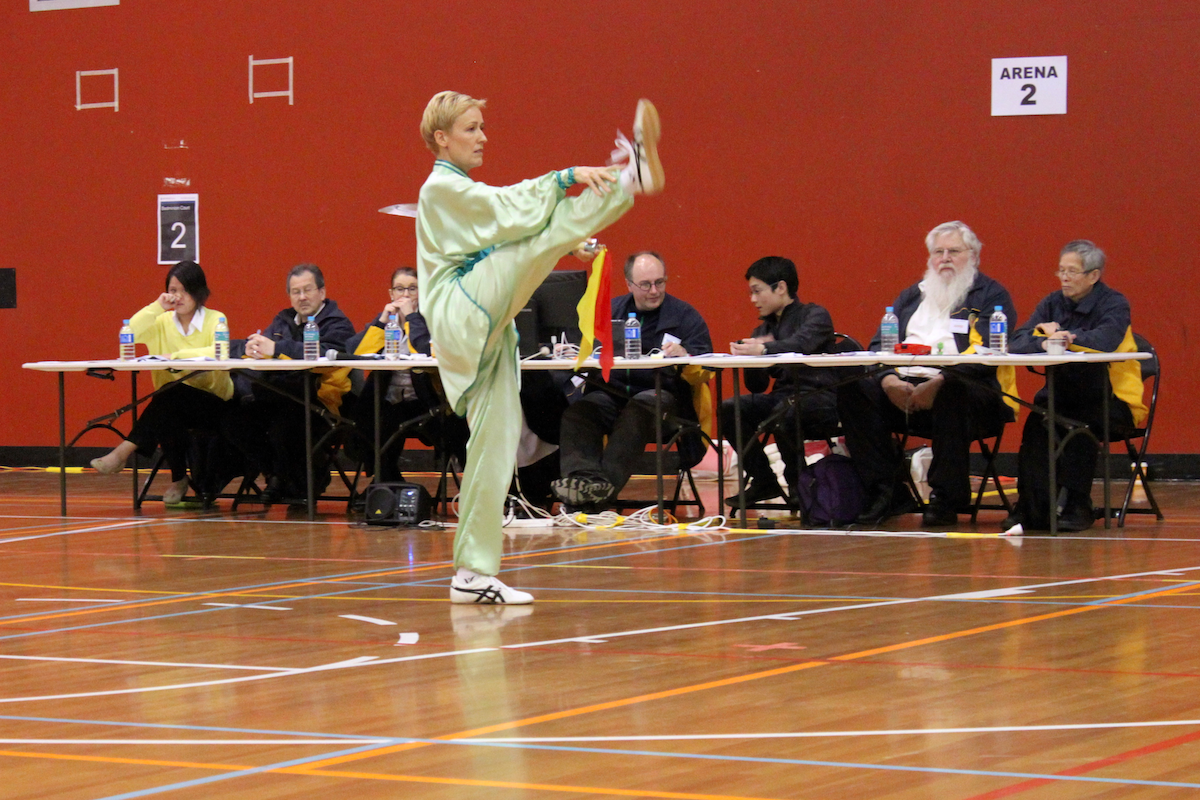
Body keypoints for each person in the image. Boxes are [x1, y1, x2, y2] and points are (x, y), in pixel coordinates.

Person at [415, 90, 663, 604]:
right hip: (462, 308)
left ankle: (472, 573)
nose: (483, 137)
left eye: (483, 127)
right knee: (534, 239)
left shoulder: (457, 192)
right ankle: (627, 178)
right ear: (441, 139)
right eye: (471, 129)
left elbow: (495, 236)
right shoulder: (440, 187)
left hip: (484, 326)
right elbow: (504, 211)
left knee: (495, 446)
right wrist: (565, 176)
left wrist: (562, 238)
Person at [838, 221, 1018, 527]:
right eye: (938, 252)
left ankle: (946, 497)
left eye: (954, 251)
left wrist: (940, 381)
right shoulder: (911, 297)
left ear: (973, 255)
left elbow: (988, 353)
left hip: (971, 392)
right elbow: (877, 346)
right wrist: (889, 380)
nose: (945, 258)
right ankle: (887, 489)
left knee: (953, 391)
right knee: (851, 388)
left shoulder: (990, 295)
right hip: (905, 389)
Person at [1004, 240, 1148, 533]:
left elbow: (1105, 340)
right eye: (1061, 271)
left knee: (1079, 425)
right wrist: (1043, 342)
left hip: (1110, 397)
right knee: (1037, 423)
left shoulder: (1114, 303)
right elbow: (1017, 340)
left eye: (1072, 271)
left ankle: (1076, 505)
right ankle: (1032, 509)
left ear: (1093, 276)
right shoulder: (1051, 303)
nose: (1064, 278)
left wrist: (1067, 337)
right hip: (1061, 394)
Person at [553, 250, 713, 510]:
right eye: (645, 284)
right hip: (611, 395)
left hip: (663, 403)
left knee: (639, 408)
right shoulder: (609, 311)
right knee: (580, 413)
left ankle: (593, 500)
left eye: (660, 282)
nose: (654, 290)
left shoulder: (685, 316)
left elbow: (707, 364)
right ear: (629, 285)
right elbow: (584, 346)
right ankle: (583, 482)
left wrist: (686, 356)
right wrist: (571, 350)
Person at [90, 260, 234, 505]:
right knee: (168, 404)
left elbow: (217, 352)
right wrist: (157, 306)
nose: (178, 296)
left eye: (185, 290)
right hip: (172, 405)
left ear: (198, 291)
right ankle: (178, 480)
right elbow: (129, 333)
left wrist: (175, 357)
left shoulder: (216, 319)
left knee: (169, 397)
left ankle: (125, 453)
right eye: (173, 290)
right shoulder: (162, 322)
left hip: (213, 402)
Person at [225, 263, 355, 503]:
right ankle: (275, 475)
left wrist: (276, 348)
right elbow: (262, 346)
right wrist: (249, 346)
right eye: (296, 292)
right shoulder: (282, 321)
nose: (302, 297)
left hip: (319, 404)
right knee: (234, 421)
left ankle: (297, 481)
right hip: (277, 397)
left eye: (307, 290)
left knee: (283, 428)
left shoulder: (338, 324)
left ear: (322, 292)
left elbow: (323, 354)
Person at [721, 256, 840, 506]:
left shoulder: (815, 315)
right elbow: (757, 387)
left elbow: (801, 345)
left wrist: (765, 350)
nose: (752, 300)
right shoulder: (762, 331)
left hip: (820, 396)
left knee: (785, 410)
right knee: (731, 408)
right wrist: (749, 358)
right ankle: (764, 480)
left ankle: (799, 485)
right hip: (782, 398)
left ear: (781, 288)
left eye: (758, 291)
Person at [344, 267, 468, 482]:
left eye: (412, 288)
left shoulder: (430, 321)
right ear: (391, 294)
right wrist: (382, 320)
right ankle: (386, 484)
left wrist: (411, 316)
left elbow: (423, 349)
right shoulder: (383, 324)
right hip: (389, 401)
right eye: (399, 289)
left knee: (454, 426)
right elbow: (355, 354)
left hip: (425, 402)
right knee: (373, 422)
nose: (405, 294)